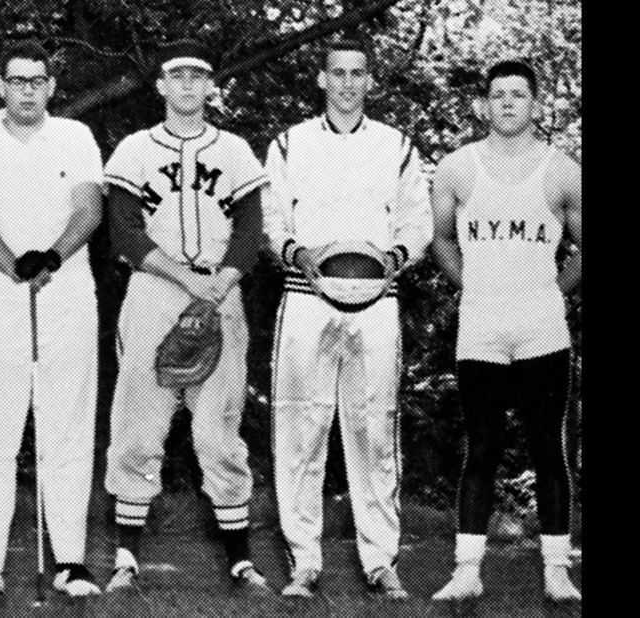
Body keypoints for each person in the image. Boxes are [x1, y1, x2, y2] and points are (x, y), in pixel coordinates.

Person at [263, 39, 432, 600]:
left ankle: (381, 561)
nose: (348, 83)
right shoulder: (289, 144)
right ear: (321, 79)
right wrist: (298, 254)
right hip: (306, 294)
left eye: (358, 73)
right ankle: (304, 562)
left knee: (374, 427)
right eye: (338, 73)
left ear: (369, 82)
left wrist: (396, 260)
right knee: (301, 427)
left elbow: (417, 222)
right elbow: (271, 218)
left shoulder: (396, 145)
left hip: (377, 299)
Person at [101, 39, 272, 595]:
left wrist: (218, 282)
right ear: (161, 85)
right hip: (154, 288)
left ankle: (241, 562)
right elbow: (124, 230)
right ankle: (126, 556)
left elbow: (250, 230)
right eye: (178, 76)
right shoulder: (133, 149)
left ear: (209, 85)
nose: (188, 86)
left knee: (218, 428)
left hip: (222, 288)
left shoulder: (237, 151)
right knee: (138, 421)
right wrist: (187, 279)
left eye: (199, 76)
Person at [0, 40, 105, 598]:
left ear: (51, 86)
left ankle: (71, 561)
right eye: (17, 81)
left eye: (37, 81)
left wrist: (53, 256)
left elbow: (88, 208)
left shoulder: (75, 136)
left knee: (66, 424)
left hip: (66, 292)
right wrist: (14, 263)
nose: (27, 91)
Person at [428, 59, 582, 602]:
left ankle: (556, 570)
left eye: (519, 94)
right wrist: (474, 288)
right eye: (498, 95)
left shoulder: (563, 171)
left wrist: (551, 292)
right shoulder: (456, 168)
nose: (509, 103)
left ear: (535, 105)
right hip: (482, 327)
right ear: (484, 105)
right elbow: (441, 239)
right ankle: (466, 570)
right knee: (483, 447)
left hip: (542, 329)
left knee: (548, 448)